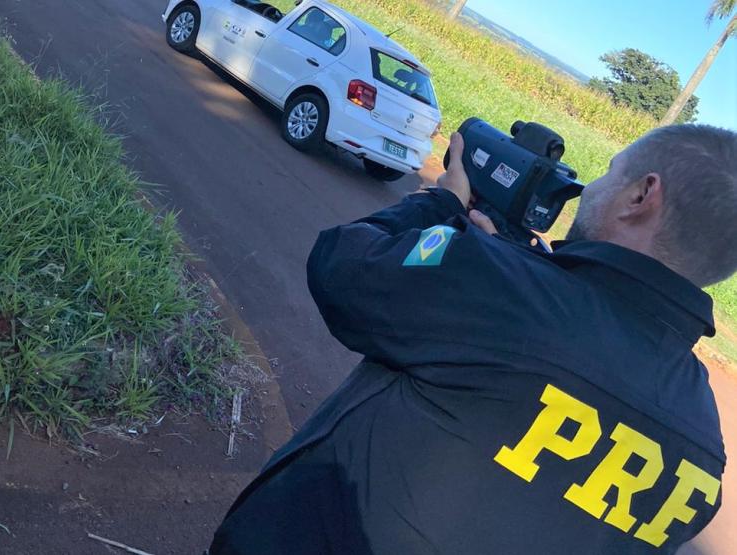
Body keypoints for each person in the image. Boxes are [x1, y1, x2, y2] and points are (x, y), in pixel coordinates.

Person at [208, 123, 737, 554]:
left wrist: (441, 209)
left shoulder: (492, 283)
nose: (589, 190)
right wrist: (515, 267)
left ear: (642, 194)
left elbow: (340, 264)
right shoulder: (704, 458)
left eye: (606, 173)